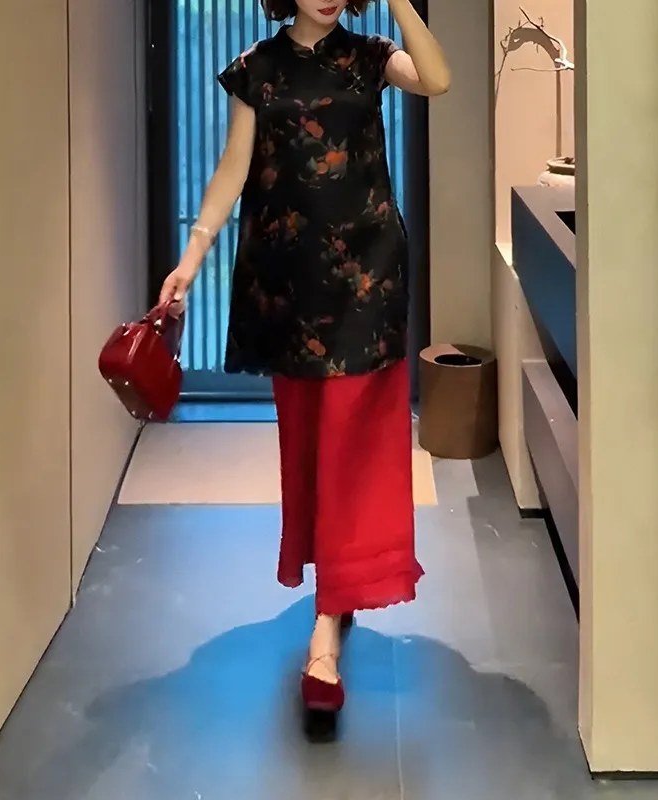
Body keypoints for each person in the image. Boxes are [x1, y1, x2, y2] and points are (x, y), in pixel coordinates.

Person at [159, 0, 451, 728]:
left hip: (368, 279)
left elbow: (438, 79)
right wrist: (191, 260)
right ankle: (336, 589)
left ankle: (326, 631)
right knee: (312, 447)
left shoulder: (372, 55)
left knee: (359, 445)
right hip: (288, 284)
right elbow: (233, 169)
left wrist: (402, 2)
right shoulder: (255, 69)